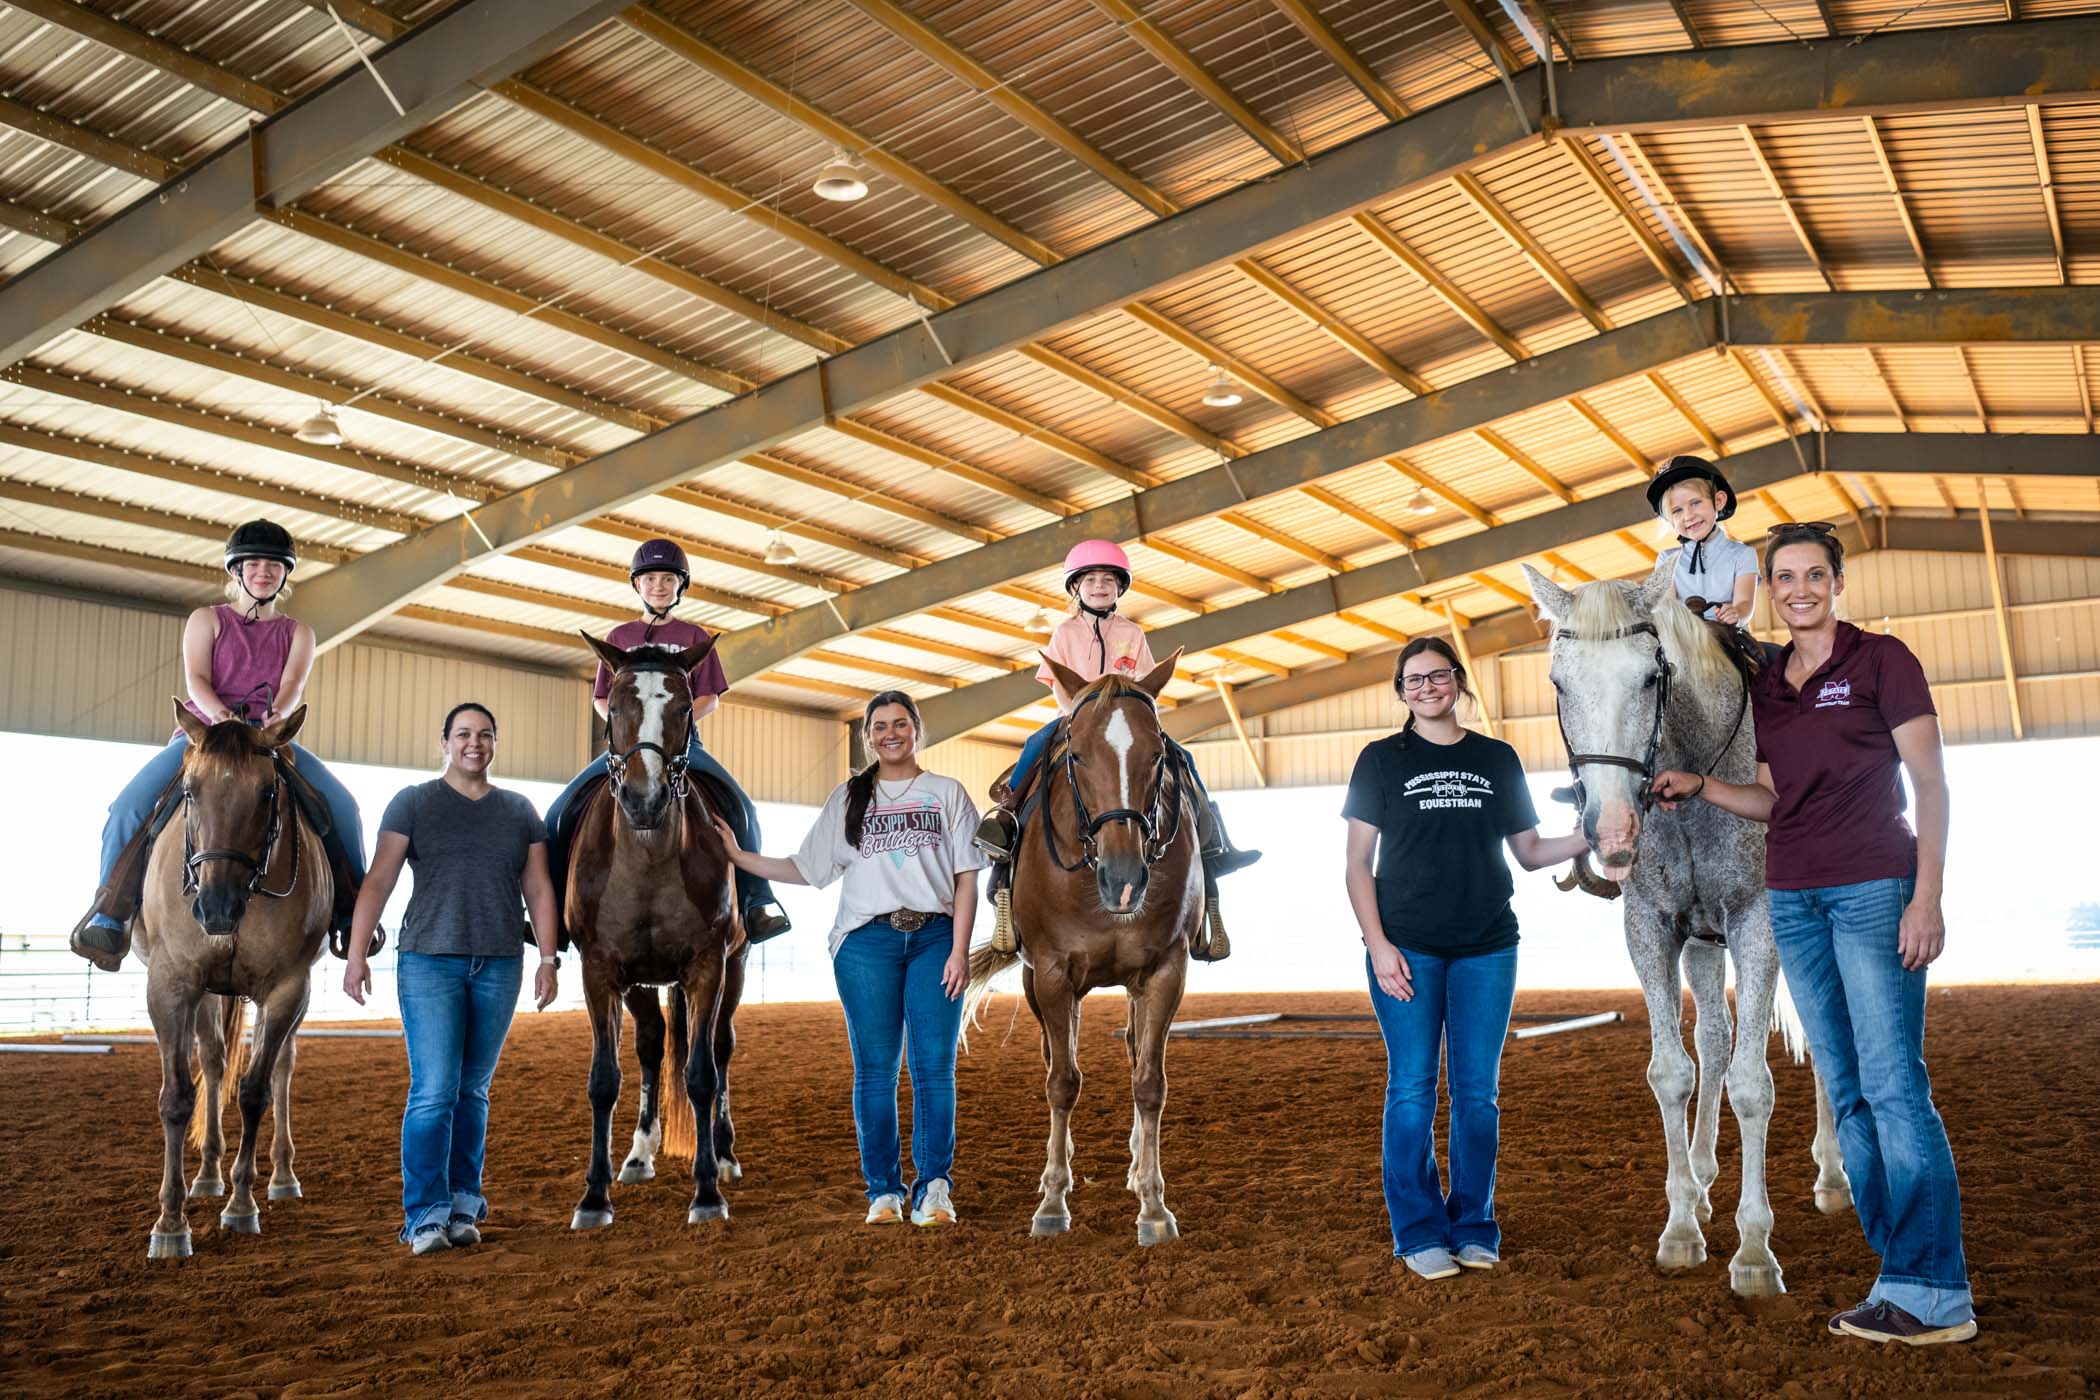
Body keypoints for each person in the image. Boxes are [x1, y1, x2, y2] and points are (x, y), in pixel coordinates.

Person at [1652, 521, 1974, 1346]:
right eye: (1785, 576)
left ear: (1836, 582)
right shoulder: (1771, 684)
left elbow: (1932, 788)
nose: (1799, 588)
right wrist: (1702, 787)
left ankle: (1937, 1292)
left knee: (1896, 1087)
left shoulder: (1882, 661)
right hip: (1792, 897)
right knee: (1849, 1088)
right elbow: (1771, 800)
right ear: (1769, 585)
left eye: (1813, 575)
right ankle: (1901, 1275)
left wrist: (1925, 899)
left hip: (1875, 887)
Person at [1341, 638, 1587, 1281]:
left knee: (1478, 1095)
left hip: (1488, 946)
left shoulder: (1496, 758)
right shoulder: (1379, 761)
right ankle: (1419, 1232)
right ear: (1400, 692)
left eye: (1438, 676)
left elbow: (1530, 852)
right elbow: (1356, 866)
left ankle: (1474, 1225)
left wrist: (1595, 835)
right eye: (1413, 680)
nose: (1426, 688)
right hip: (1406, 950)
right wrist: (1378, 945)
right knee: (1413, 1090)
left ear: (1458, 681)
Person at [714, 691, 982, 1229]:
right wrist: (741, 858)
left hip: (934, 939)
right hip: (866, 944)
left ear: (918, 730)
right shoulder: (849, 798)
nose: (890, 733)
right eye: (879, 726)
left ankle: (933, 1188)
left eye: (900, 724)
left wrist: (959, 949)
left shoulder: (946, 794)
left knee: (934, 1069)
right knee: (875, 1072)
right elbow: (808, 868)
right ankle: (883, 1191)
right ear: (867, 737)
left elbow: (967, 878)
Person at [71, 519, 367, 969]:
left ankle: (350, 915)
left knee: (343, 806)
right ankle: (111, 916)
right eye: (253, 564)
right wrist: (222, 717)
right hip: (205, 736)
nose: (263, 572)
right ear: (236, 571)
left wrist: (272, 719)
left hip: (265, 741)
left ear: (285, 574)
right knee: (128, 807)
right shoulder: (206, 620)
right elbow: (198, 679)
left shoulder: (298, 633)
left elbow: (292, 686)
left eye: (273, 565)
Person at [344, 701, 560, 1256]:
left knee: (473, 1092)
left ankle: (464, 1205)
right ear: (444, 742)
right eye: (463, 734)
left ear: (495, 744)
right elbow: (380, 880)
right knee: (434, 1092)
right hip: (428, 963)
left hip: (500, 965)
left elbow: (538, 890)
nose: (474, 744)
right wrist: (355, 953)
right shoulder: (414, 803)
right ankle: (424, 1216)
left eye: (485, 735)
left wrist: (547, 958)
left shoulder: (519, 810)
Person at [971, 539, 1258, 954]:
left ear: (1119, 587)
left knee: (1183, 758)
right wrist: (1083, 719)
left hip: (1126, 719)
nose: (1100, 586)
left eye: (1108, 580)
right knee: (1035, 744)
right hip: (1079, 719)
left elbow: (1144, 688)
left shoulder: (1132, 632)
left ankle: (1214, 841)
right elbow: (1057, 685)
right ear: (1076, 588)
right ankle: (1007, 817)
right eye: (1091, 580)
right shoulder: (1065, 632)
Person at [543, 539, 788, 942]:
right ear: (637, 585)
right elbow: (603, 699)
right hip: (628, 750)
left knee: (743, 808)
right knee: (558, 811)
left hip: (682, 746)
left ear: (680, 586)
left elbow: (709, 696)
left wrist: (675, 722)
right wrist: (632, 733)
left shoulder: (694, 635)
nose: (659, 585)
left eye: (668, 579)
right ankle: (551, 910)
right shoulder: (618, 636)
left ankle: (756, 903)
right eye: (651, 578)